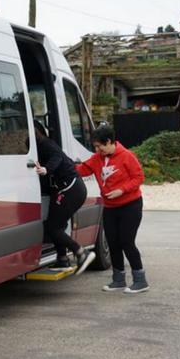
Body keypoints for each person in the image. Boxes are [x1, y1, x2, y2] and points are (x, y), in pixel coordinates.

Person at [76, 125, 149, 293]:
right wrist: (57, 168)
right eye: (95, 147)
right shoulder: (96, 159)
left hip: (131, 205)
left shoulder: (127, 156)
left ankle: (140, 279)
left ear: (109, 141)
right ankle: (118, 279)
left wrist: (121, 190)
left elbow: (139, 177)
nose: (97, 150)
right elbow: (81, 171)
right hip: (109, 207)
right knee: (113, 242)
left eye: (99, 146)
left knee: (126, 241)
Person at [32, 120, 96, 274]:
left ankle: (81, 252)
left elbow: (56, 158)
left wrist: (47, 169)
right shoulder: (40, 145)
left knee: (53, 227)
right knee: (57, 225)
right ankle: (62, 260)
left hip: (71, 189)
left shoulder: (46, 144)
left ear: (36, 132)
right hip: (65, 189)